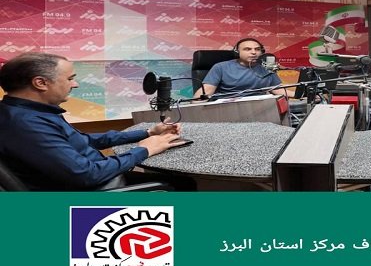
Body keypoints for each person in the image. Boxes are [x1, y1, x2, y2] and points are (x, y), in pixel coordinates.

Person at [0, 52, 194, 191]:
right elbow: (86, 175)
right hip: (92, 190)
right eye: (70, 79)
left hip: (94, 178)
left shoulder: (29, 112)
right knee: (182, 184)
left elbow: (84, 140)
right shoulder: (26, 125)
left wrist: (148, 133)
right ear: (40, 83)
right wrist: (144, 149)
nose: (75, 84)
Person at [194, 38, 286, 99]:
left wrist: (295, 95)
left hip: (259, 106)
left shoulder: (266, 67)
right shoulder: (221, 67)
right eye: (247, 49)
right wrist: (195, 107)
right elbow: (207, 90)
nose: (254, 52)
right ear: (237, 52)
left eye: (257, 49)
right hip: (228, 107)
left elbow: (277, 89)